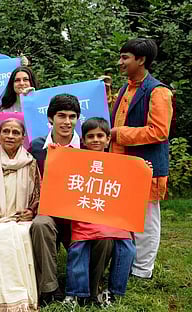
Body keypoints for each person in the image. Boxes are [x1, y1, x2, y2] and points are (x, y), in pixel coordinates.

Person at [27, 94, 113, 304]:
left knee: (106, 236)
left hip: (81, 214)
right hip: (51, 212)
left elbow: (111, 176)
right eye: (61, 116)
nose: (67, 122)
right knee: (40, 224)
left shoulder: (88, 146)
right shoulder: (37, 147)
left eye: (72, 116)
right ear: (50, 118)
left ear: (78, 119)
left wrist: (141, 171)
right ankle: (49, 288)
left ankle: (91, 290)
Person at [110, 38, 173, 279]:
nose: (120, 62)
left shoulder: (159, 91)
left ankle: (143, 270)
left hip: (146, 166)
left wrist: (118, 134)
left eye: (125, 57)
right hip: (122, 164)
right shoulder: (126, 87)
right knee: (125, 216)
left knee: (146, 220)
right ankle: (127, 263)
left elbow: (159, 131)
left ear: (141, 60)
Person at [63, 118, 136, 307]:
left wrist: (144, 171)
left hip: (112, 217)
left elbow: (129, 187)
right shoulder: (76, 160)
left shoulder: (120, 163)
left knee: (128, 248)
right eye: (90, 136)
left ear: (108, 139)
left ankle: (112, 292)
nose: (96, 140)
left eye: (100, 136)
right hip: (85, 216)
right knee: (78, 248)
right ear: (84, 141)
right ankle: (75, 294)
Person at [0, 118, 40, 311]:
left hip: (21, 219)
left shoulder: (31, 163)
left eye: (16, 132)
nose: (10, 136)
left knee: (21, 235)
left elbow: (38, 194)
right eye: (6, 131)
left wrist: (31, 211)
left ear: (23, 138)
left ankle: (21, 299)